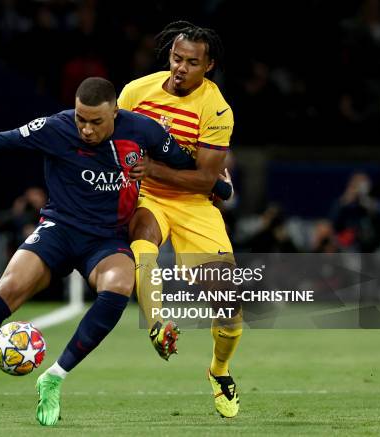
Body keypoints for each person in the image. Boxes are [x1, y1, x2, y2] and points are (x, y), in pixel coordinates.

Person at [0, 77, 232, 426]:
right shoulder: (54, 128)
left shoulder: (144, 131)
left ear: (115, 114)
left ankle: (54, 378)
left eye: (95, 122)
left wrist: (219, 186)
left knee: (121, 284)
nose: (86, 129)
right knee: (6, 289)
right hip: (59, 230)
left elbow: (185, 166)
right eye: (80, 119)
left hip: (106, 239)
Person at [118, 21, 242, 418]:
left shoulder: (217, 108)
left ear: (209, 66)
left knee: (230, 306)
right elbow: (113, 143)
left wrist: (151, 168)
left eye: (191, 62)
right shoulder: (136, 93)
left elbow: (206, 179)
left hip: (192, 204)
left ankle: (219, 370)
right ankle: (157, 323)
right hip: (148, 196)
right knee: (142, 233)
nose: (181, 68)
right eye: (176, 58)